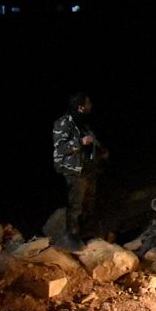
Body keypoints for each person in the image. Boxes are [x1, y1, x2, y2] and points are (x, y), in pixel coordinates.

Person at [52, 92, 108, 248]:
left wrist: (102, 151)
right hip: (74, 169)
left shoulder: (83, 123)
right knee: (76, 205)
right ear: (80, 107)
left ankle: (87, 234)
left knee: (89, 203)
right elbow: (60, 148)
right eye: (88, 103)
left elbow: (92, 141)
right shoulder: (63, 123)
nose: (91, 106)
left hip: (88, 169)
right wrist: (80, 142)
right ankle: (72, 238)